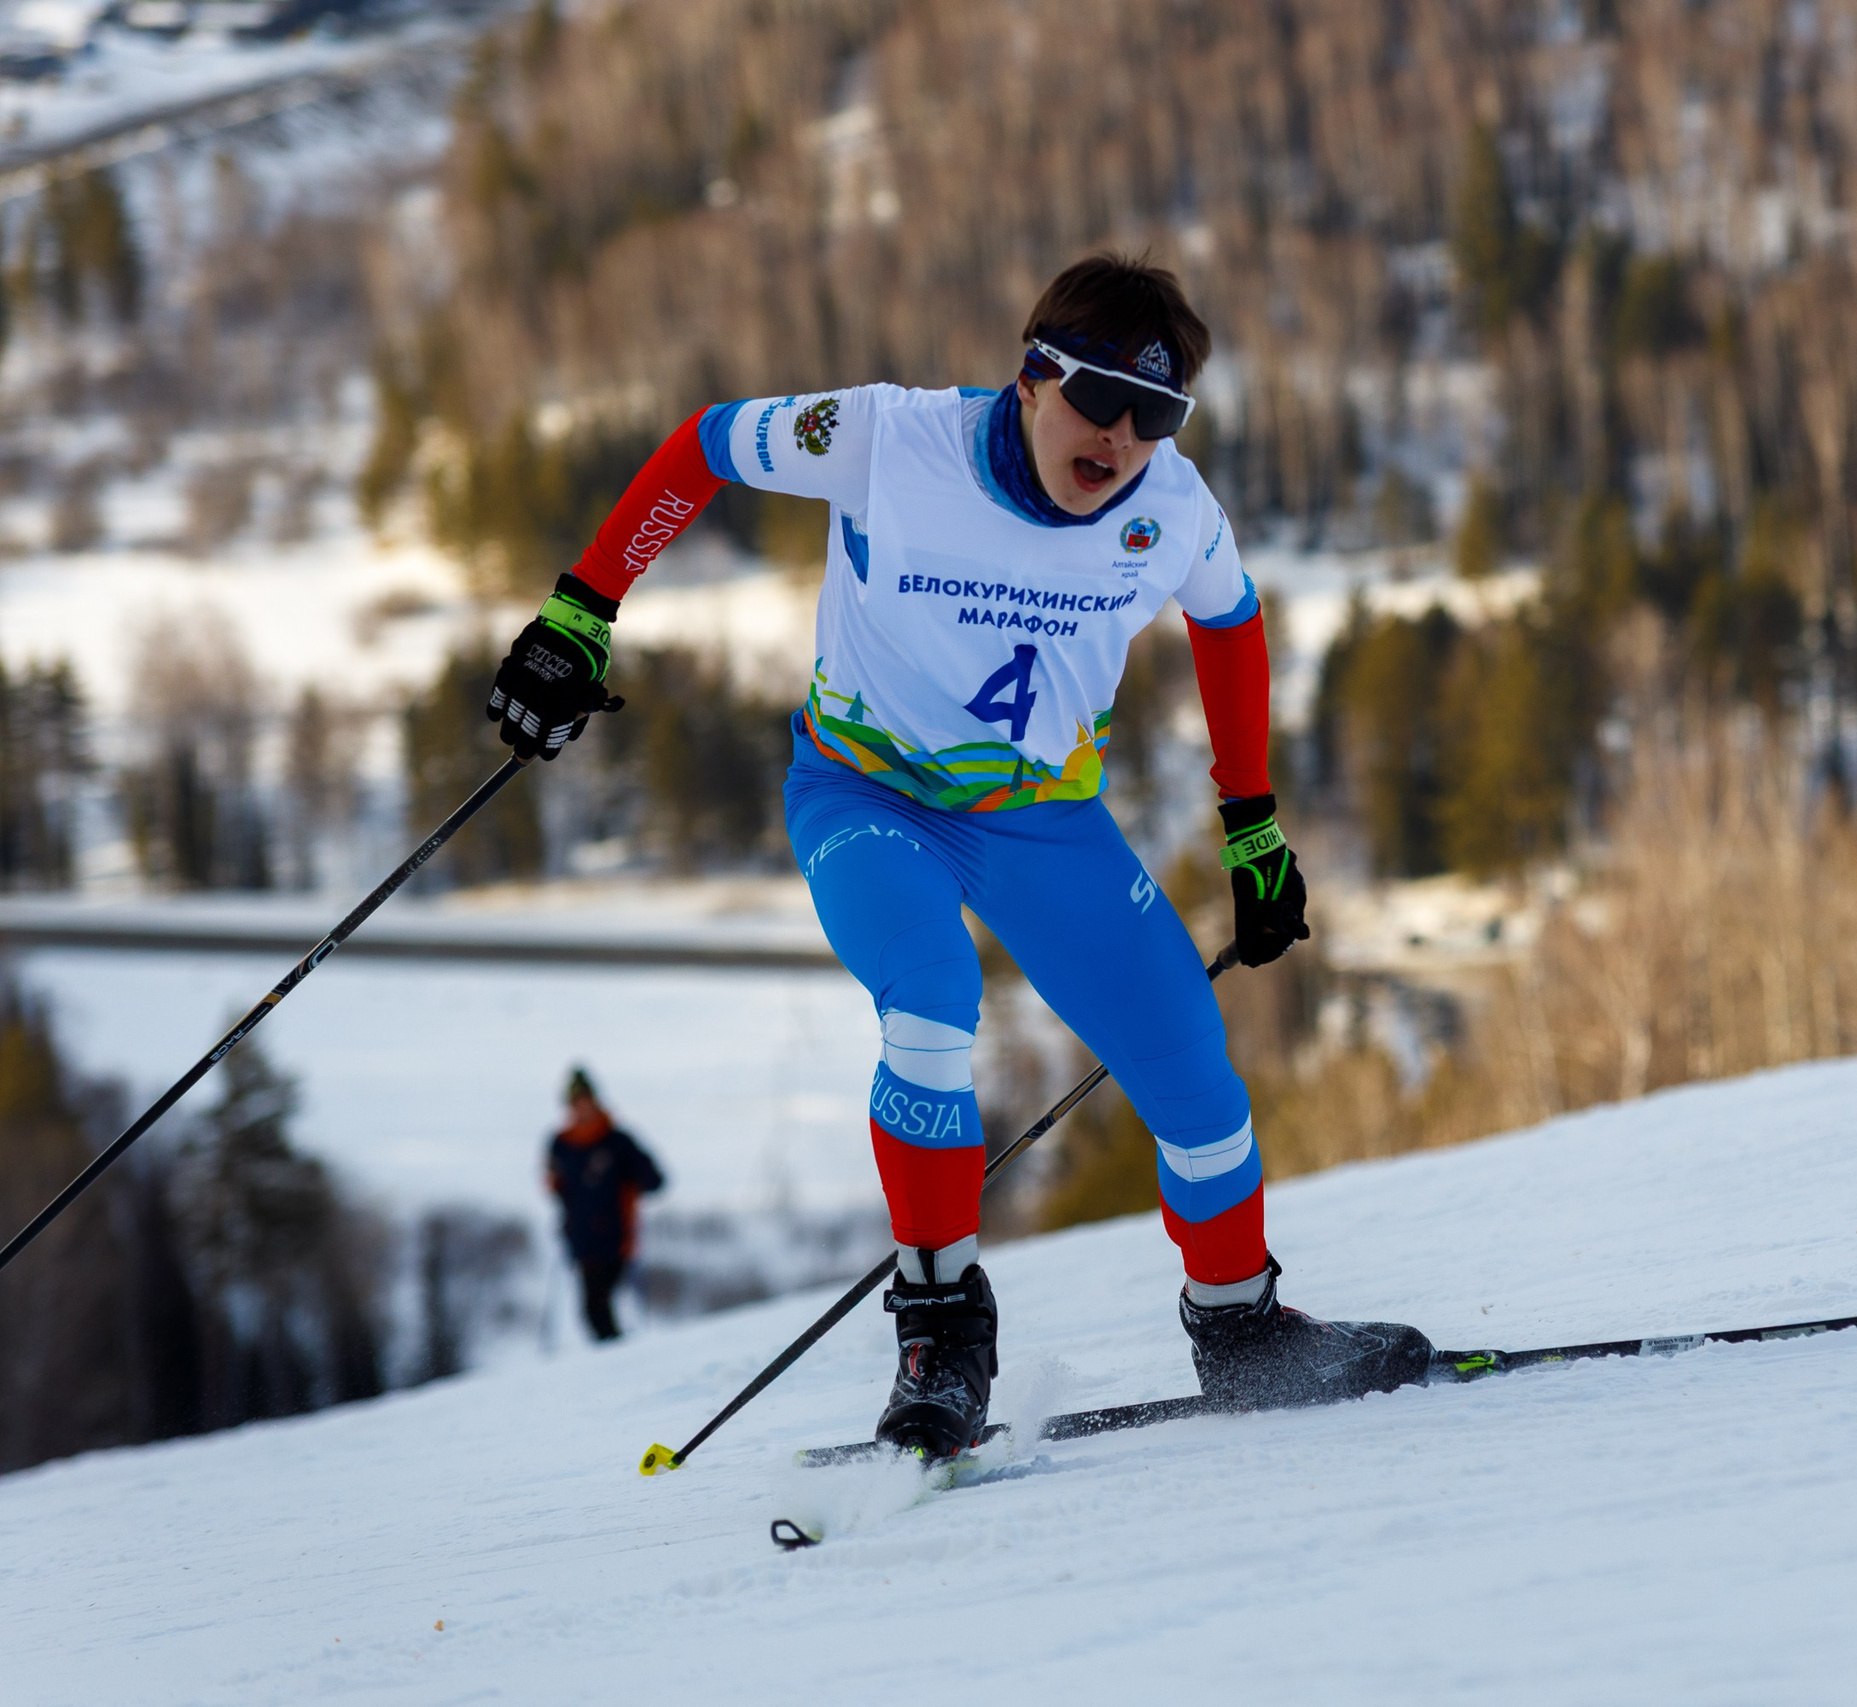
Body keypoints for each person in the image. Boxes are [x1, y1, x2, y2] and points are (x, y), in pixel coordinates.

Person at [485, 252, 1430, 1455]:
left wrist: (1251, 821)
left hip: (1043, 819)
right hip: (866, 794)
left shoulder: (1172, 508)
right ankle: (940, 1339)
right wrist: (581, 611)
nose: (1122, 438)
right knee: (930, 1004)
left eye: (1158, 414)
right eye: (1100, 399)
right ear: (1033, 376)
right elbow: (704, 446)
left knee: (1198, 1082)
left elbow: (1231, 623)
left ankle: (1240, 1325)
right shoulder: (886, 440)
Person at [545, 1068, 666, 1342]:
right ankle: (618, 1355)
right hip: (580, 1239)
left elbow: (655, 1179)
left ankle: (621, 1357)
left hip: (616, 1238)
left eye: (584, 1100)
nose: (581, 1108)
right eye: (575, 1102)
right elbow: (558, 1188)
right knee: (594, 1309)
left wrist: (635, 1178)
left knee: (596, 1306)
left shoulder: (617, 1141)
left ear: (594, 1101)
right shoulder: (561, 1143)